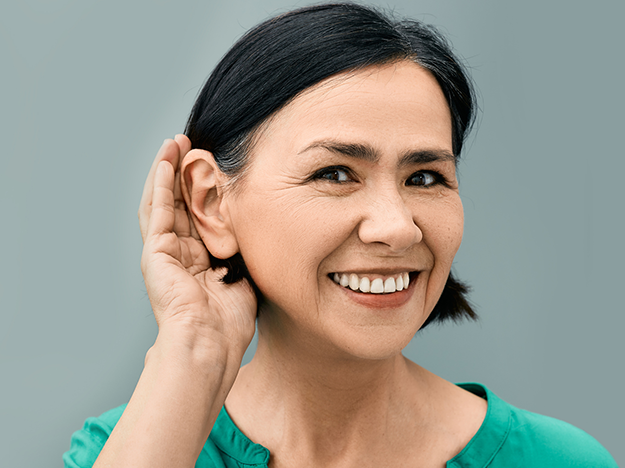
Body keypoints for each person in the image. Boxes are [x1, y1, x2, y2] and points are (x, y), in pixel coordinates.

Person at [63, 3, 618, 467]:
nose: (398, 227)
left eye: (424, 177)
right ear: (210, 201)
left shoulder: (561, 461)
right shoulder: (129, 448)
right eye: (335, 173)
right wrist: (193, 349)